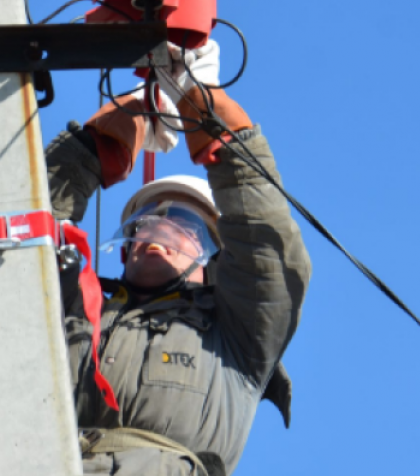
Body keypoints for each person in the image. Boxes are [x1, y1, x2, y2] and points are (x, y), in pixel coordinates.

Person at [44, 40, 312, 476]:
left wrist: (202, 102)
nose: (157, 231)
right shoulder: (78, 316)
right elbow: (25, 236)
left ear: (214, 257)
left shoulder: (239, 336)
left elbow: (268, 251)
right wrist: (105, 140)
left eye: (185, 225)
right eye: (145, 222)